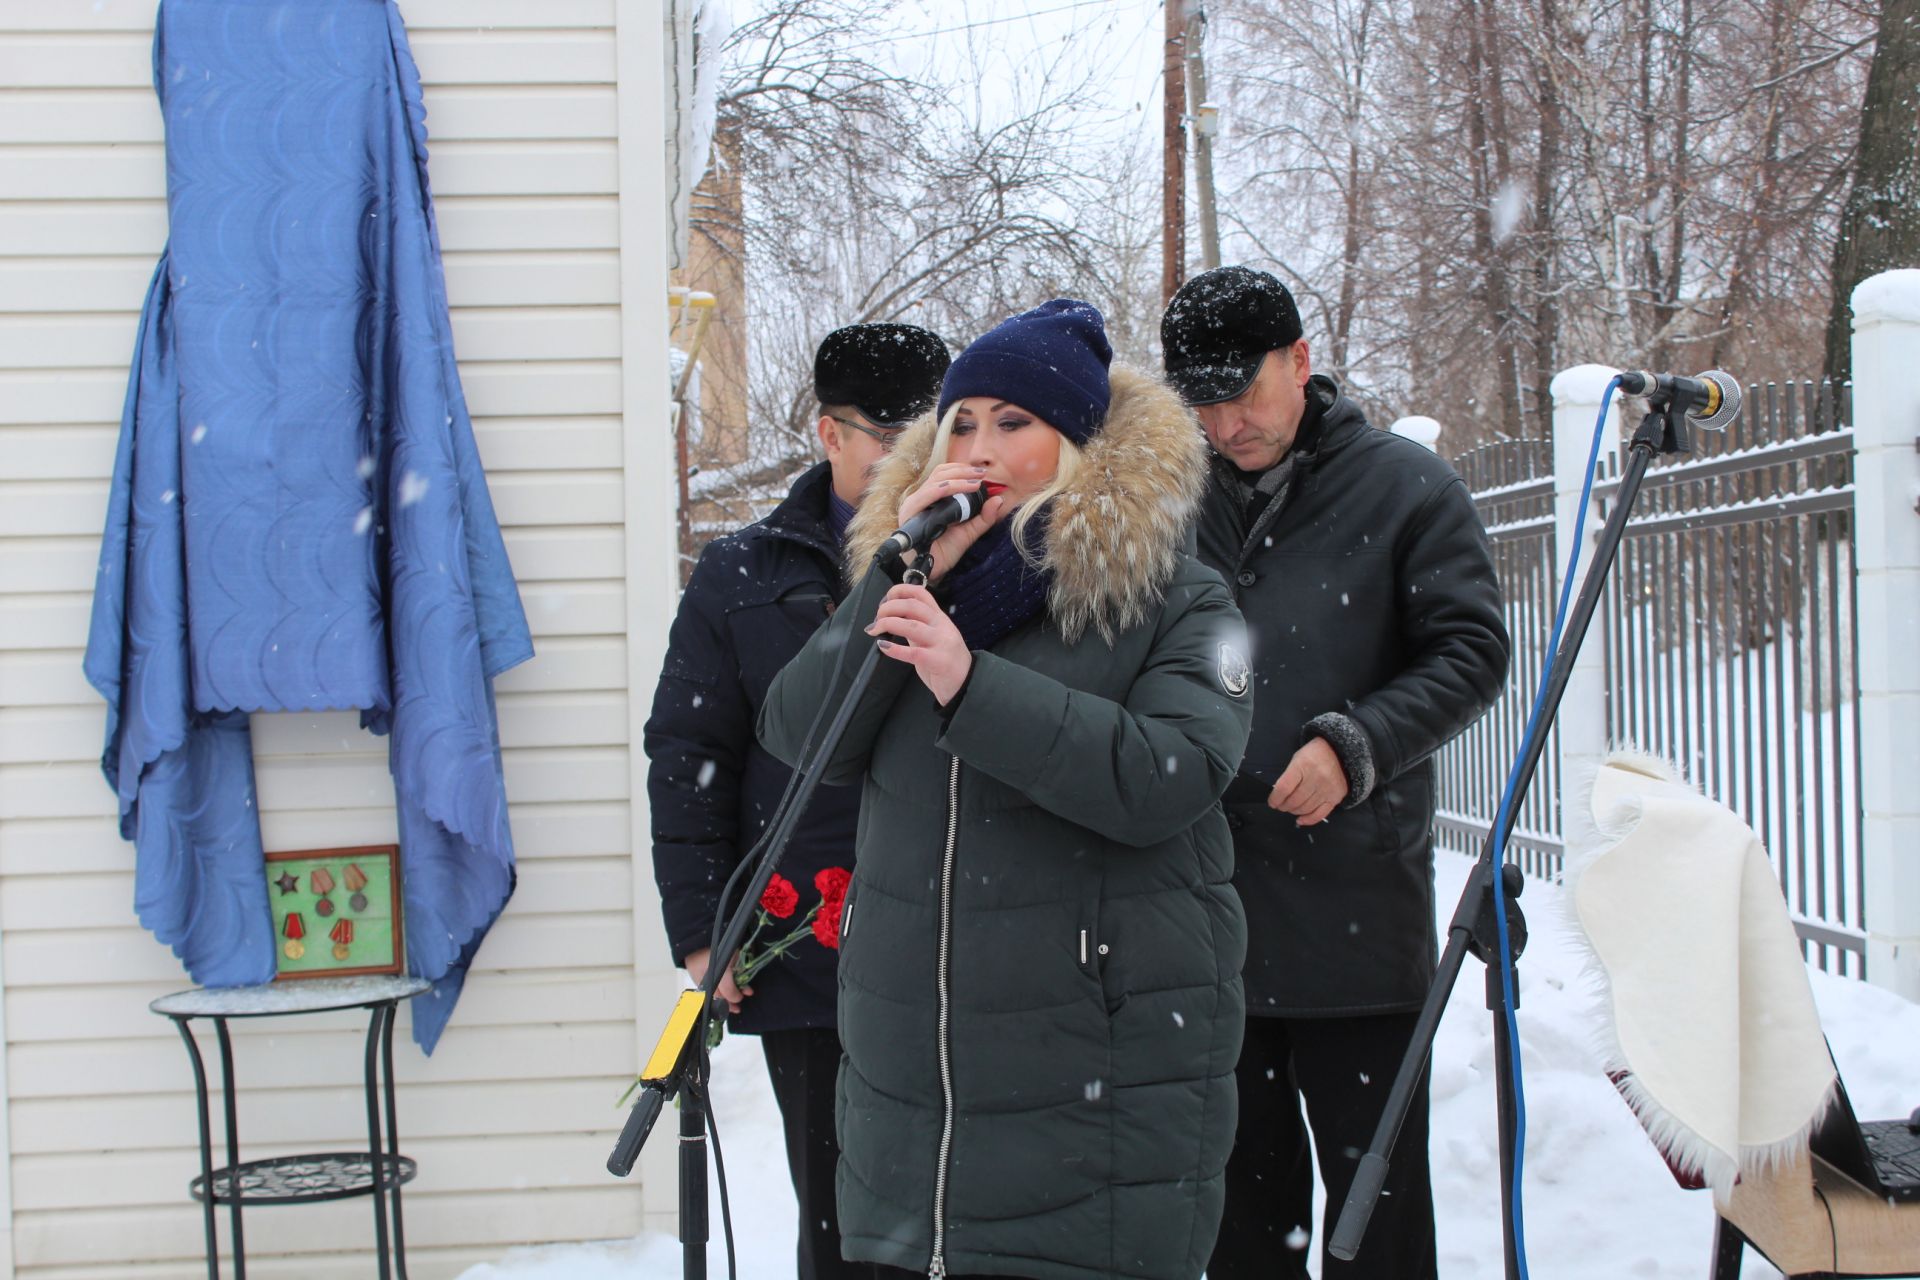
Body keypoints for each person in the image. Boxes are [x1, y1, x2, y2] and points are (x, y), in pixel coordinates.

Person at [758, 299, 1256, 1280]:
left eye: (1015, 422)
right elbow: (800, 735)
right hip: (914, 1097)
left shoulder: (1177, 595)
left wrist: (973, 686)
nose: (980, 445)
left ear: (1075, 442)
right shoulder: (915, 587)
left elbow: (1174, 773)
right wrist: (893, 580)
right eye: (964, 420)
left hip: (1088, 1080)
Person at [1161, 265, 1511, 1280]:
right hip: (1213, 919)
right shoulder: (1175, 508)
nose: (1227, 421)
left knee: (1377, 1219)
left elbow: (1470, 651)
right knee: (1240, 1222)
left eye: (1246, 390)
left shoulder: (1406, 486)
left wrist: (1357, 744)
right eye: (1205, 399)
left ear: (1301, 362)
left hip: (1359, 916)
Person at [645, 322, 950, 1280]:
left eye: (932, 439)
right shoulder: (748, 573)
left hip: (961, 944)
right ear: (828, 434)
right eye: (888, 440)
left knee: (964, 1212)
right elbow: (689, 753)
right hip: (811, 941)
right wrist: (705, 929)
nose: (917, 465)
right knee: (838, 1217)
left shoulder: (986, 552)